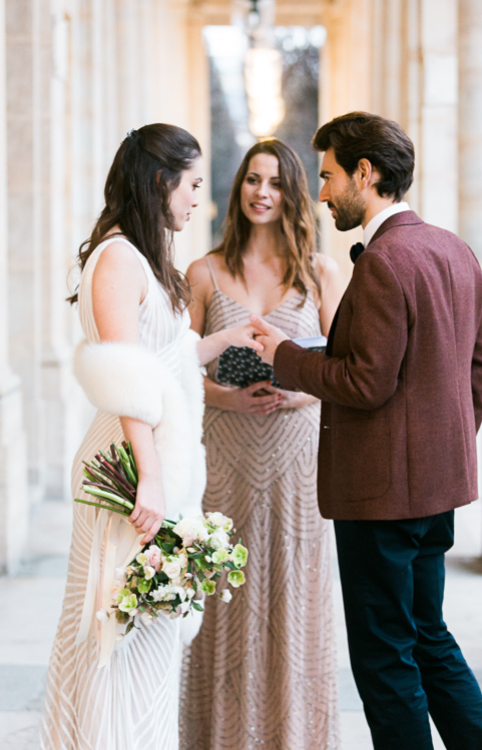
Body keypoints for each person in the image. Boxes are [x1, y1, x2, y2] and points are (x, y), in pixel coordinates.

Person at [255, 111, 482, 750]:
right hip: (434, 494)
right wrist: (444, 453)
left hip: (379, 499)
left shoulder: (386, 260)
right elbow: (480, 369)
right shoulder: (455, 249)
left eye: (330, 175)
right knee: (429, 638)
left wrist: (286, 355)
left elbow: (367, 383)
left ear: (367, 172)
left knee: (386, 660)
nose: (323, 192)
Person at [39, 124, 263, 749]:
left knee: (154, 632)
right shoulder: (116, 259)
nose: (199, 200)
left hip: (157, 462)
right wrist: (153, 476)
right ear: (160, 180)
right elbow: (125, 378)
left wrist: (226, 339)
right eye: (192, 184)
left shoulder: (141, 258)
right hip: (129, 467)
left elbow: (161, 359)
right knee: (119, 630)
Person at [179, 138, 344, 748]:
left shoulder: (321, 272)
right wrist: (222, 396)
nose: (262, 192)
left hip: (300, 458)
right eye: (252, 179)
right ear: (238, 187)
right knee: (223, 596)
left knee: (294, 600)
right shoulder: (205, 272)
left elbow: (352, 367)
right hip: (224, 455)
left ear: (292, 191)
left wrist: (301, 391)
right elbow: (173, 368)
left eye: (274, 182)